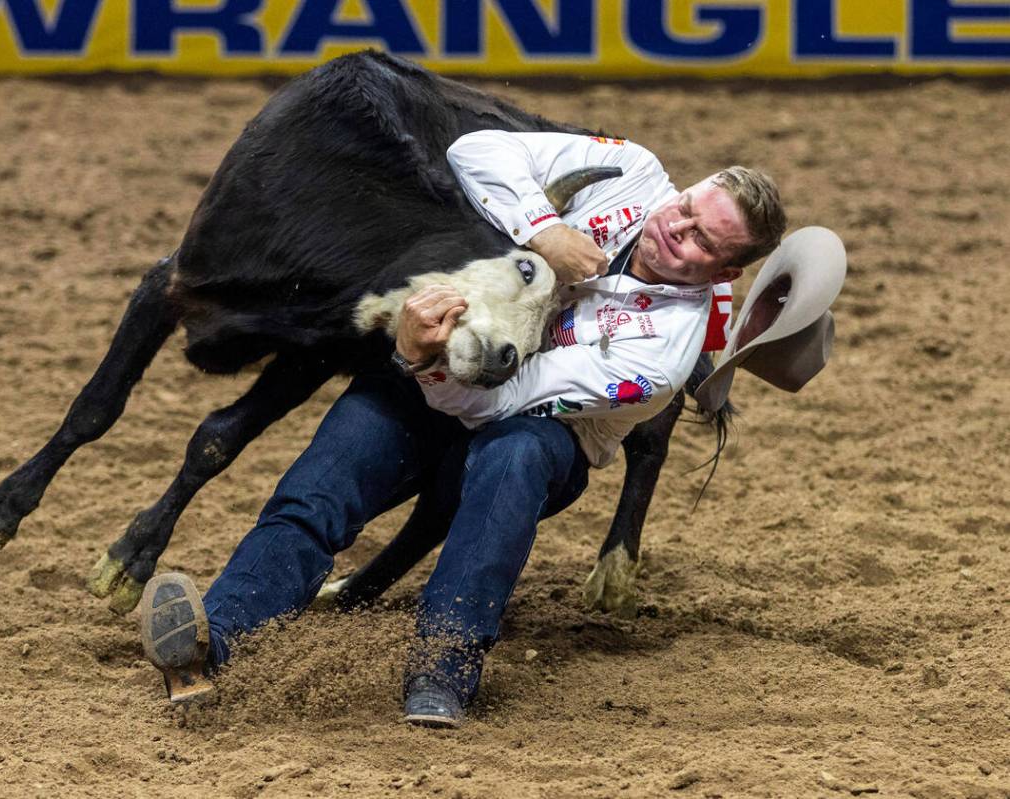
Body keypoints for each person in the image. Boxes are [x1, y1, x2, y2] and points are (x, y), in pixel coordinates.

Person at [138, 131, 787, 726]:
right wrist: (542, 227)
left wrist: (421, 354)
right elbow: (476, 149)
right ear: (682, 192)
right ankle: (212, 643)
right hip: (433, 375)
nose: (677, 231)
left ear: (725, 273)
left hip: (533, 428)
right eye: (686, 211)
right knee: (319, 492)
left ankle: (443, 666)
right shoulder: (631, 172)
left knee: (514, 454)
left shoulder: (662, 354)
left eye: (704, 241)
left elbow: (499, 402)